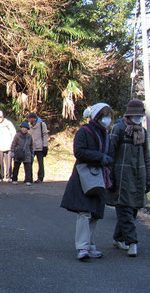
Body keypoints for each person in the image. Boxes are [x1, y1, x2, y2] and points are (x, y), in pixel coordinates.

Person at [60, 103, 113, 260]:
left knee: (96, 212)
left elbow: (110, 153)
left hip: (101, 176)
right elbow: (79, 152)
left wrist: (108, 159)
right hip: (84, 176)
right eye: (105, 116)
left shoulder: (106, 134)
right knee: (84, 212)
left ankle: (90, 244)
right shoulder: (84, 131)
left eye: (109, 116)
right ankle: (82, 247)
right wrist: (100, 157)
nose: (107, 119)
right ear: (97, 116)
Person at [107, 99, 150, 258]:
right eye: (136, 115)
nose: (138, 118)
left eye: (141, 115)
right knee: (124, 208)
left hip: (139, 176)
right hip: (122, 176)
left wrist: (148, 180)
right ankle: (132, 242)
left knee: (133, 209)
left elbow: (146, 157)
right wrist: (110, 176)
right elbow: (109, 153)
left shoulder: (143, 131)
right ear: (129, 114)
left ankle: (118, 238)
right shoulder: (118, 129)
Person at [0, 111, 16, 182]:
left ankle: (8, 176)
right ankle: (0, 176)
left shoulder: (8, 123)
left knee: (8, 162)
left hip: (8, 145)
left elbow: (13, 133)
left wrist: (12, 143)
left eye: (0, 117)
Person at [27, 113, 49, 183]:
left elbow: (45, 135)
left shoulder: (41, 124)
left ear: (34, 119)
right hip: (31, 147)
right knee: (29, 163)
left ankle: (40, 177)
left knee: (40, 163)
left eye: (30, 118)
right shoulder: (28, 126)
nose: (29, 120)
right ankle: (29, 177)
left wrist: (45, 145)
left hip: (40, 146)